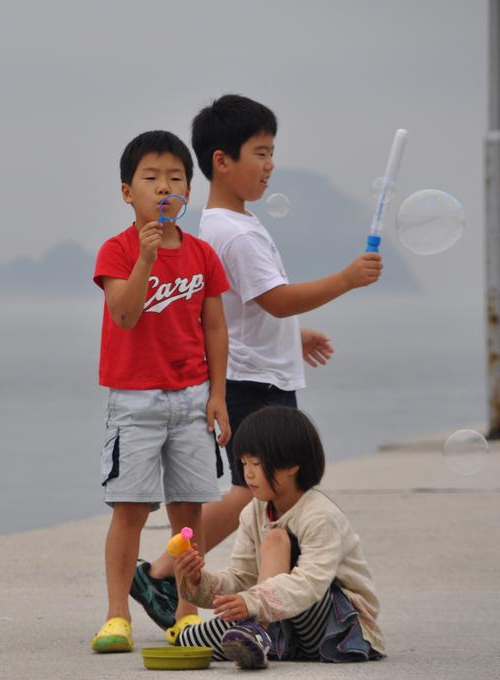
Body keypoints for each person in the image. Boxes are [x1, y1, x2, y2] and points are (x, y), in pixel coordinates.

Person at [131, 95, 382, 623]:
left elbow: (250, 308)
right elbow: (275, 298)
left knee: (256, 489)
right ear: (222, 160)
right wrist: (346, 279)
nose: (270, 165)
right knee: (252, 489)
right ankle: (159, 573)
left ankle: (176, 574)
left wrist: (294, 335)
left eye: (272, 153)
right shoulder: (234, 232)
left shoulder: (226, 226)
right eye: (260, 153)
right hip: (252, 381)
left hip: (258, 372)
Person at [90, 130, 232, 653]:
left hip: (193, 397)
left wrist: (218, 395)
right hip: (135, 400)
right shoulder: (118, 250)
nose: (164, 186)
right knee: (129, 508)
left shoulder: (201, 254)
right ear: (128, 192)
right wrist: (147, 259)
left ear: (189, 191)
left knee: (188, 513)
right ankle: (116, 617)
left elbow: (215, 329)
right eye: (151, 178)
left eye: (175, 177)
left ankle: (186, 612)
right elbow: (124, 315)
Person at [172, 406, 385, 668]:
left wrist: (252, 603)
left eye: (257, 464)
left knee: (275, 539)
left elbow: (310, 583)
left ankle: (255, 631)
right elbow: (242, 577)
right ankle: (256, 635)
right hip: (279, 618)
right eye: (244, 462)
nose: (247, 473)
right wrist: (197, 580)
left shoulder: (320, 515)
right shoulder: (253, 511)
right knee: (188, 641)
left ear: (292, 465)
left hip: (335, 624)